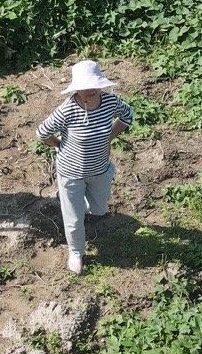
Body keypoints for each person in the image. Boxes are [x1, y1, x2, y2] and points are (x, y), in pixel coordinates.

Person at [36, 60, 134, 275]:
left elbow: (127, 115)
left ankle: (79, 206)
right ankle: (76, 251)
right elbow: (42, 132)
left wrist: (109, 137)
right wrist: (59, 145)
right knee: (73, 219)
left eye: (94, 85)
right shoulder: (67, 111)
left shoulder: (110, 101)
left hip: (99, 168)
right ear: (76, 88)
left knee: (99, 209)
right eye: (85, 86)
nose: (90, 90)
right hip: (71, 172)